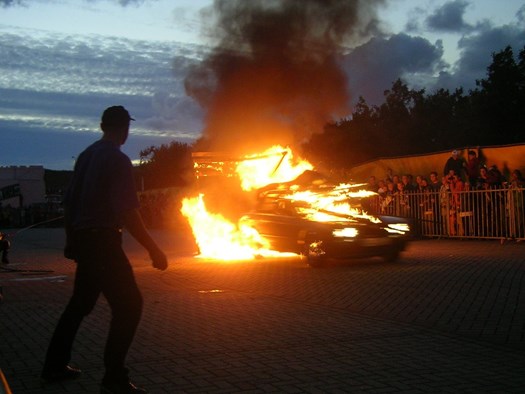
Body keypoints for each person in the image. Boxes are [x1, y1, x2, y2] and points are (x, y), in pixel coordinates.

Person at [41, 106, 168, 394]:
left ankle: (54, 365)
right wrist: (154, 249)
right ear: (125, 129)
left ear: (102, 125)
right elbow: (128, 212)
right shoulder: (118, 160)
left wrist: (70, 240)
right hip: (104, 243)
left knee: (80, 305)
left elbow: (70, 204)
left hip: (86, 241)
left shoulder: (86, 156)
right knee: (129, 305)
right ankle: (114, 378)